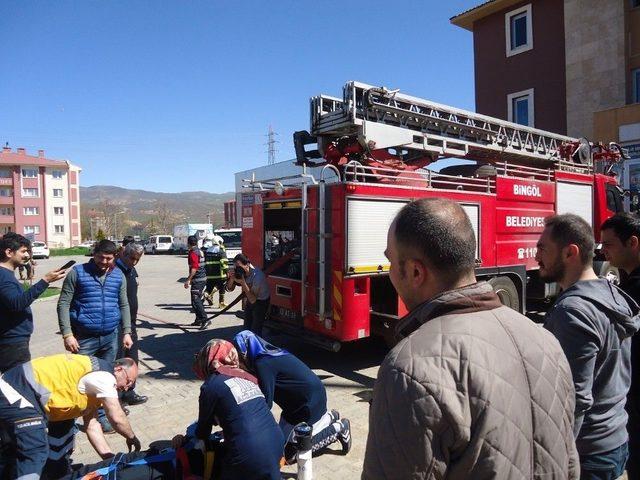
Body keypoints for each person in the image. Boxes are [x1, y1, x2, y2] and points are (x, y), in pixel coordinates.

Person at [363, 198, 579, 479]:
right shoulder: (546, 340)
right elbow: (569, 460)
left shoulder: (409, 368)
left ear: (415, 272)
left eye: (390, 261)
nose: (389, 271)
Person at [536, 213, 639, 479]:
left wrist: (557, 459)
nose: (536, 257)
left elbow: (576, 399)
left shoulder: (573, 311)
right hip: (615, 439)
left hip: (587, 453)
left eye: (542, 249)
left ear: (570, 253)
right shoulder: (612, 293)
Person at [0, 354, 141, 479]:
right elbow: (116, 416)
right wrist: (131, 437)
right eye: (129, 381)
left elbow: (92, 427)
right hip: (15, 392)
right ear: (118, 369)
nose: (127, 388)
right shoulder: (104, 377)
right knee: (35, 450)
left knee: (62, 441)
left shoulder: (95, 383)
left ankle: (55, 473)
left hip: (30, 397)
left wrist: (112, 460)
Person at [172, 339, 284, 480]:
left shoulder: (211, 386)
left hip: (247, 455)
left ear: (208, 358)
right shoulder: (247, 378)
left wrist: (187, 437)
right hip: (277, 444)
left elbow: (203, 432)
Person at [233, 330, 350, 463]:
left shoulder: (263, 364)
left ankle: (339, 428)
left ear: (245, 352)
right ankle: (329, 417)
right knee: (280, 444)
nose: (238, 362)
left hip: (307, 406)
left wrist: (246, 424)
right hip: (304, 401)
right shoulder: (270, 353)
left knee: (290, 455)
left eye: (238, 356)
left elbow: (266, 403)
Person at [57, 239, 132, 433]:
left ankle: (102, 417)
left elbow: (123, 305)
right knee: (79, 379)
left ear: (115, 256)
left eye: (108, 258)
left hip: (110, 336)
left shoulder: (118, 275)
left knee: (106, 379)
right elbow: (63, 304)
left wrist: (127, 331)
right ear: (94, 254)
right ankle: (71, 418)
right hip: (84, 338)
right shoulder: (78, 273)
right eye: (100, 257)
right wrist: (67, 334)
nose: (104, 262)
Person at [601, 213, 640, 480]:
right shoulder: (627, 283)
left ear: (633, 243)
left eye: (609, 244)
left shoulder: (635, 290)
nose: (603, 251)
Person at [0, 233, 67, 372]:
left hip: (12, 340)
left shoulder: (6, 274)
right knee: (17, 385)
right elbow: (17, 304)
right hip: (12, 343)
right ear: (8, 252)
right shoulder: (4, 276)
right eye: (23, 251)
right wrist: (45, 281)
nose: (27, 256)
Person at [115, 238, 148, 406]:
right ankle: (118, 399)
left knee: (132, 359)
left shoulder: (131, 270)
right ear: (123, 254)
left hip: (132, 323)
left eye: (137, 259)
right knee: (119, 361)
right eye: (132, 258)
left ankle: (129, 392)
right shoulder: (114, 270)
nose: (134, 262)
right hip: (118, 324)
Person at [226, 254, 270, 336]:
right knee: (246, 327)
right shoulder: (240, 273)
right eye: (236, 267)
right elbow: (229, 289)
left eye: (239, 267)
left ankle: (256, 346)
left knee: (256, 329)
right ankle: (246, 345)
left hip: (261, 301)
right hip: (250, 299)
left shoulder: (258, 276)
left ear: (247, 264)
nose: (238, 269)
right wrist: (231, 279)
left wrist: (243, 282)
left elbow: (253, 299)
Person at [184, 235, 209, 329]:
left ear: (189, 243)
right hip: (201, 279)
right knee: (195, 300)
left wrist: (188, 279)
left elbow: (194, 268)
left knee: (196, 300)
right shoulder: (200, 251)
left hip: (198, 280)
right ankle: (198, 320)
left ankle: (204, 319)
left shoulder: (193, 253)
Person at [203, 236, 228, 308]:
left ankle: (206, 294)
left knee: (209, 288)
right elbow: (224, 263)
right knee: (222, 287)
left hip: (209, 275)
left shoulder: (207, 251)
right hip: (220, 275)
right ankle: (221, 303)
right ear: (219, 242)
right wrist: (227, 272)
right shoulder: (220, 251)